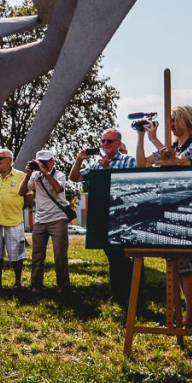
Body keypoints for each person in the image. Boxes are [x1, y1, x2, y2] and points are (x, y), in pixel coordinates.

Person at [136, 104, 192, 329]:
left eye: (174, 120)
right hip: (170, 207)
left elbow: (179, 161)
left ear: (188, 120)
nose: (171, 125)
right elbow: (142, 163)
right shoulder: (172, 146)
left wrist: (156, 141)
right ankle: (183, 313)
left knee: (186, 263)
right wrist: (141, 138)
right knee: (174, 262)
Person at [69, 128, 137, 305]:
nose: (104, 144)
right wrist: (79, 159)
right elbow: (75, 177)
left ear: (119, 143)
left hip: (124, 216)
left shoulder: (129, 161)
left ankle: (133, 294)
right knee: (113, 257)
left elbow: (129, 186)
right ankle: (118, 294)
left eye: (109, 141)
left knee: (126, 257)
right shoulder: (96, 165)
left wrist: (107, 171)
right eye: (102, 141)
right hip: (105, 216)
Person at [20, 150, 71, 292]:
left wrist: (46, 173)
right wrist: (28, 175)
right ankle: (36, 285)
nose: (41, 164)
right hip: (40, 219)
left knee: (60, 254)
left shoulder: (59, 175)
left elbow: (58, 189)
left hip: (58, 218)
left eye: (44, 162)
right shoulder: (35, 176)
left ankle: (63, 286)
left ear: (52, 162)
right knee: (37, 254)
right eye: (39, 162)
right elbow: (21, 192)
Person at [0, 148, 27, 289]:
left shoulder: (21, 176)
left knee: (16, 254)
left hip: (14, 221)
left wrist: (16, 209)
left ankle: (17, 281)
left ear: (10, 160)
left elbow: (29, 198)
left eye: (1, 158)